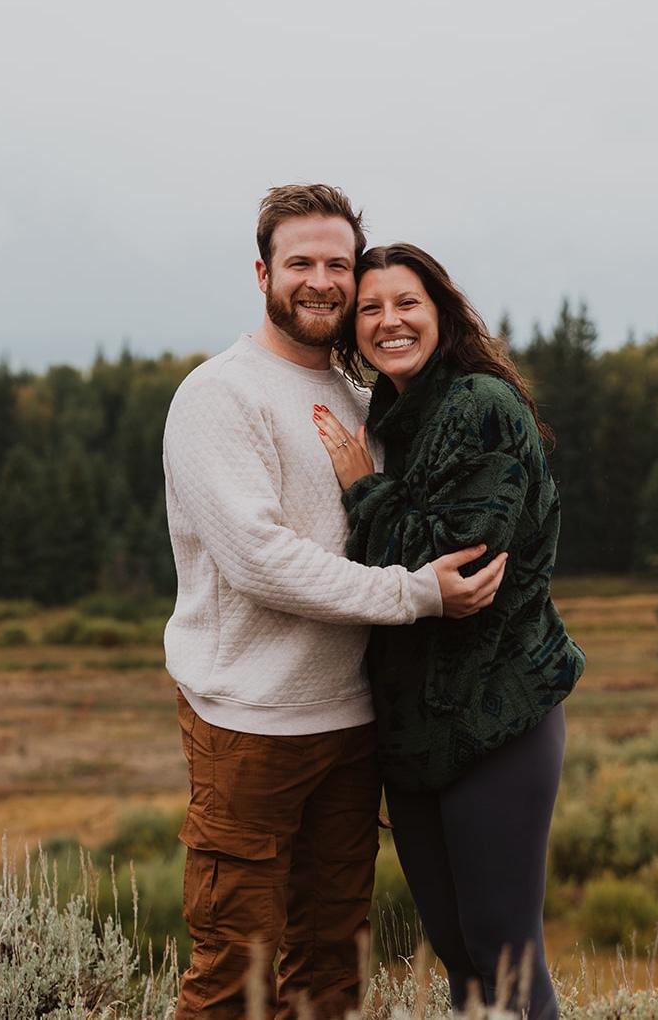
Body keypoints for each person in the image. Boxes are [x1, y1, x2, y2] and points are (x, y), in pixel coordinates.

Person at [161, 188, 509, 1019]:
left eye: (337, 264)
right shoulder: (220, 395)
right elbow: (261, 561)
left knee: (332, 969)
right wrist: (417, 594)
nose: (321, 281)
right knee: (234, 970)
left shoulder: (362, 397)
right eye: (301, 263)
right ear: (263, 274)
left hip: (352, 726)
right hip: (250, 726)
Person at [313, 243, 586, 1019]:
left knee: (503, 954)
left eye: (407, 303)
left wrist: (364, 491)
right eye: (370, 309)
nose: (389, 321)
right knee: (462, 957)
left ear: (441, 312)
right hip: (415, 732)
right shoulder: (395, 419)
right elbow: (406, 586)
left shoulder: (479, 403)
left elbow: (456, 560)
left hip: (497, 715)